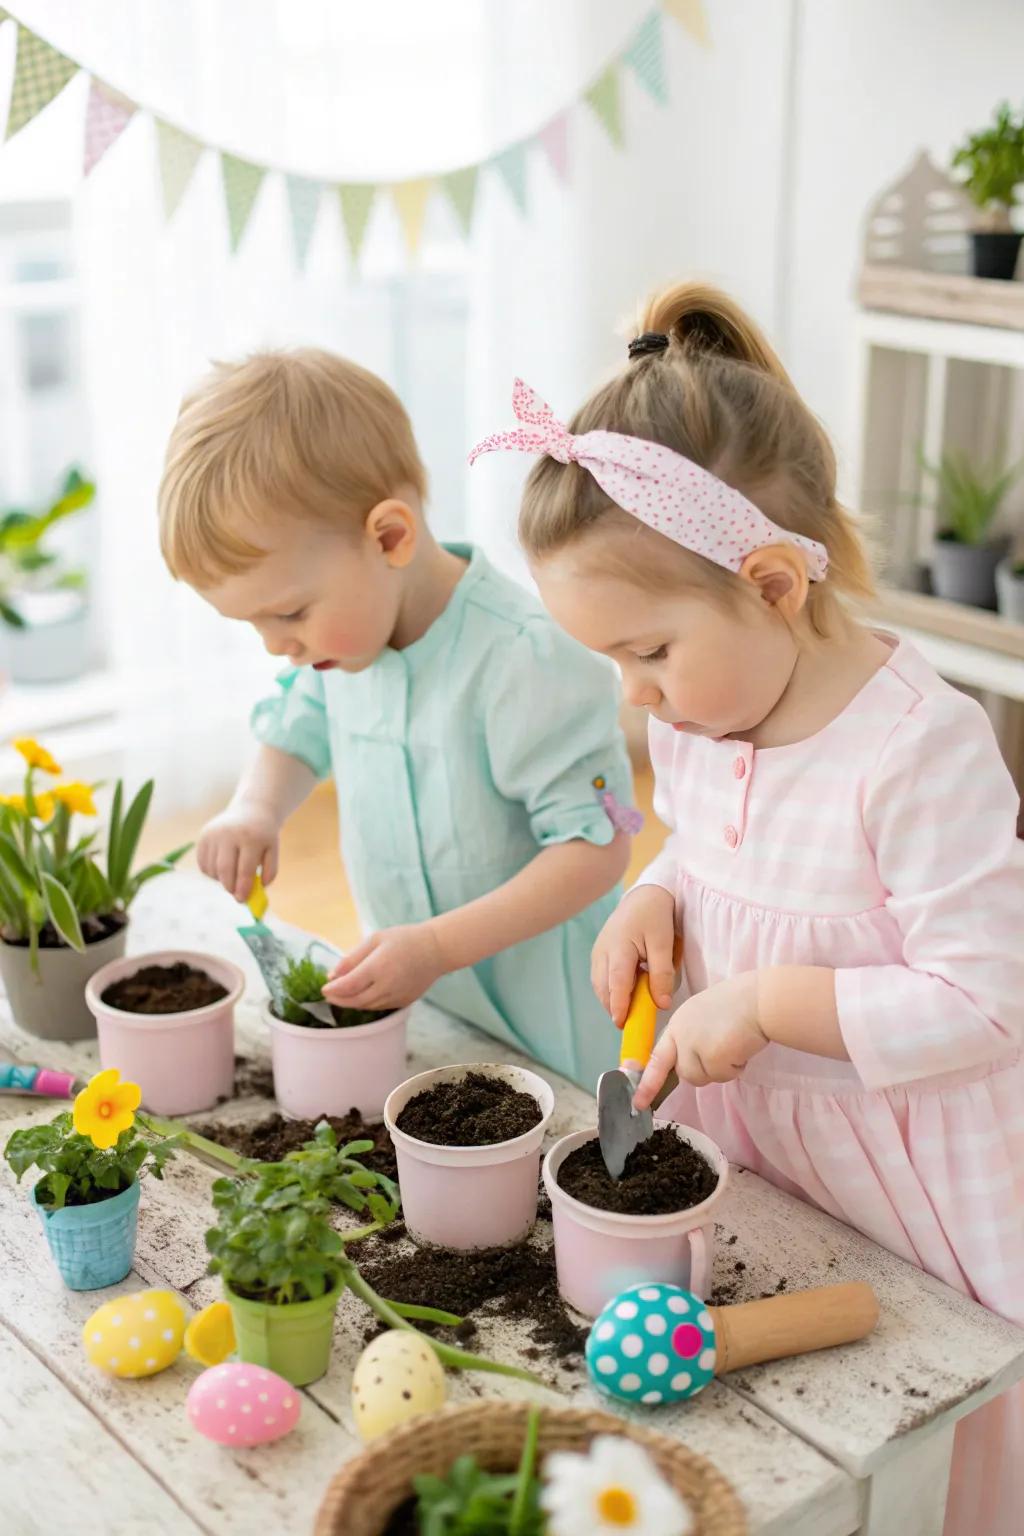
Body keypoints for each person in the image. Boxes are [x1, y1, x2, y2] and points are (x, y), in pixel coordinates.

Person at [471, 285, 1024, 1535]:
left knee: (926, 1435)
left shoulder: (916, 750)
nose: (638, 696)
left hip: (907, 1184)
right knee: (779, 1443)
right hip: (757, 1148)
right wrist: (654, 897)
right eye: (613, 662)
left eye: (650, 653)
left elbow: (988, 1001)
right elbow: (706, 851)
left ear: (772, 582)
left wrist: (768, 1001)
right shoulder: (710, 715)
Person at [157, 347, 636, 1088]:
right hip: (432, 993)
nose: (278, 645)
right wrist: (254, 809)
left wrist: (440, 945)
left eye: (287, 612)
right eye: (252, 623)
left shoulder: (526, 662)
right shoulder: (338, 647)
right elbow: (296, 727)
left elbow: (595, 851)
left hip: (559, 1016)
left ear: (390, 537)